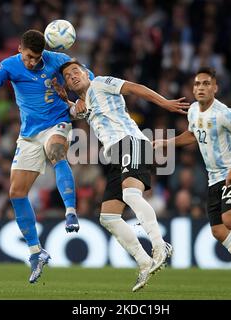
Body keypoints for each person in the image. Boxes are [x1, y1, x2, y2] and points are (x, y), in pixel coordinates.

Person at [58, 60, 189, 292]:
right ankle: (144, 261)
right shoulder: (82, 103)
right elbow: (73, 112)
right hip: (115, 155)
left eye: (76, 71)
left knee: (131, 194)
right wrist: (64, 99)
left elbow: (134, 88)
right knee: (108, 217)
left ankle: (160, 246)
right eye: (68, 76)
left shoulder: (100, 83)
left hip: (131, 142)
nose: (73, 76)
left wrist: (164, 103)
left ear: (87, 73)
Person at [0, 30, 86, 284]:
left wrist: (80, 95)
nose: (32, 62)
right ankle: (36, 252)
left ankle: (70, 211)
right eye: (28, 57)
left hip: (57, 123)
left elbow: (85, 75)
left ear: (42, 52)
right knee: (16, 193)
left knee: (56, 151)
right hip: (29, 134)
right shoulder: (11, 64)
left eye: (36, 58)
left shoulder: (57, 60)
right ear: (20, 48)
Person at [153, 67, 231, 292]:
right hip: (213, 178)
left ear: (215, 88)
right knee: (218, 231)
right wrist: (167, 142)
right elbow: (193, 134)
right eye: (198, 84)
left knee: (230, 219)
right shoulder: (192, 111)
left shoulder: (224, 113)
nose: (201, 88)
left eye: (206, 84)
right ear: (193, 88)